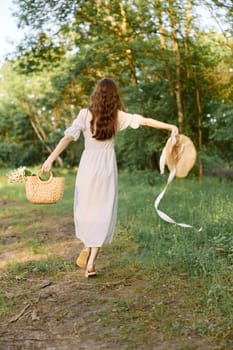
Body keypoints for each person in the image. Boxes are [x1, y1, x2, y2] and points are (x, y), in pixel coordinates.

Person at [41, 78, 179, 278]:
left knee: (85, 209)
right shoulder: (118, 116)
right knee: (102, 210)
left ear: (96, 94)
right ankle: (91, 261)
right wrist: (170, 127)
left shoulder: (84, 114)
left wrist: (50, 159)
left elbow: (68, 138)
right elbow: (146, 121)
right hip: (106, 168)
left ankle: (88, 246)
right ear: (115, 96)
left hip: (88, 166)